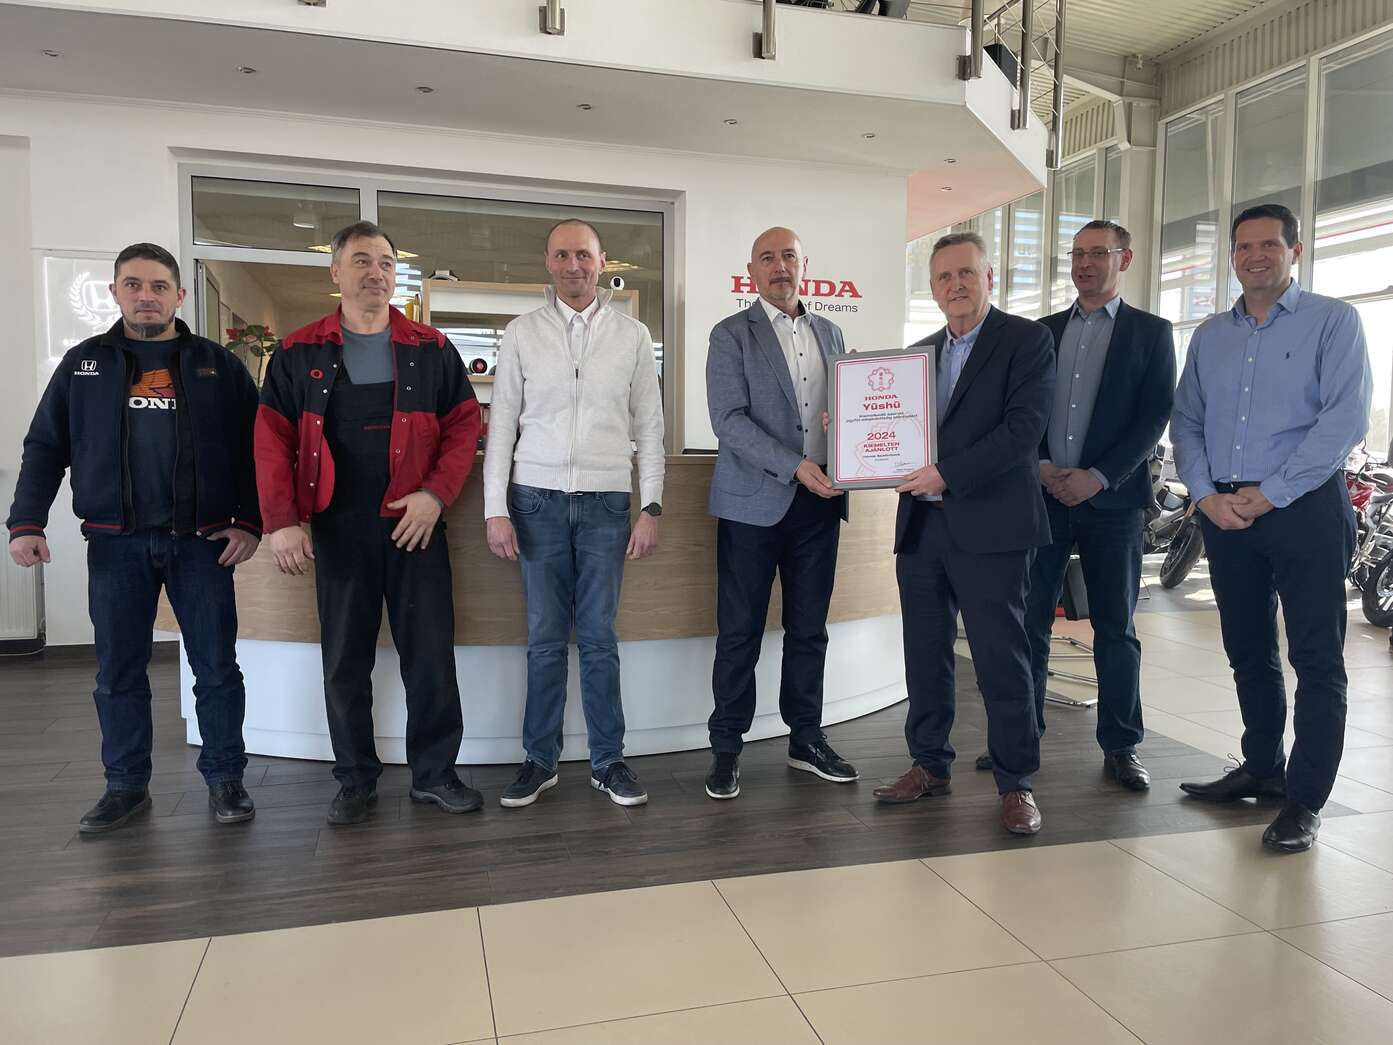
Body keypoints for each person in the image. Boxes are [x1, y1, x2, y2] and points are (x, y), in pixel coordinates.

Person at [8, 243, 261, 832]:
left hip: (201, 543)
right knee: (118, 672)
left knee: (216, 668)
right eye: (133, 284)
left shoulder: (217, 366)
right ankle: (125, 787)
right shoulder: (83, 365)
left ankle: (226, 779)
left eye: (158, 286)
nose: (146, 295)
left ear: (179, 295)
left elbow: (258, 448)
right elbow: (45, 446)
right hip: (115, 544)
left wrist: (249, 520)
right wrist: (26, 522)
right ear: (116, 292)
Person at [255, 221, 483, 825]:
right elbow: (272, 441)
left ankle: (435, 775)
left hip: (416, 526)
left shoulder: (431, 349)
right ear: (335, 272)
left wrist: (436, 495)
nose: (375, 273)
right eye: (361, 261)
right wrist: (281, 521)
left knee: (430, 657)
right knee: (344, 660)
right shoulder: (299, 351)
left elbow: (465, 427)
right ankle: (355, 780)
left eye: (385, 262)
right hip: (338, 527)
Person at [1173, 203, 1371, 853]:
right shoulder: (1209, 336)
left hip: (1304, 506)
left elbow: (1343, 420)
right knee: (1246, 647)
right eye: (1242, 246)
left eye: (1268, 244)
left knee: (1315, 657)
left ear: (1295, 250)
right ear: (1231, 256)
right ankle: (1261, 766)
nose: (1254, 255)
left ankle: (1304, 799)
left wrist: (1273, 492)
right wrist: (1205, 496)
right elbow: (1187, 421)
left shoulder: (1333, 321)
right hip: (1226, 512)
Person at [873, 231, 1055, 836]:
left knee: (1002, 660)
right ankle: (929, 764)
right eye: (945, 276)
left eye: (966, 273)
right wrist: (852, 431)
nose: (956, 284)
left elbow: (1023, 430)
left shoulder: (1027, 341)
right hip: (923, 529)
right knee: (925, 655)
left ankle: (1016, 782)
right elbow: (895, 431)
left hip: (994, 528)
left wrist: (947, 474)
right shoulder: (917, 355)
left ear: (989, 277)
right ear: (932, 288)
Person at [483, 219, 664, 808]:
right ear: (548, 262)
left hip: (608, 502)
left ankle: (608, 761)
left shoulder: (632, 335)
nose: (573, 265)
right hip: (534, 501)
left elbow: (650, 425)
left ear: (602, 260)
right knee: (543, 638)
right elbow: (502, 425)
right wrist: (494, 508)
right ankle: (540, 760)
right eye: (562, 255)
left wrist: (652, 504)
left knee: (599, 638)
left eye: (583, 255)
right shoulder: (522, 332)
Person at [1003, 220, 1175, 791]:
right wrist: (1039, 464)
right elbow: (1020, 407)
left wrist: (1098, 478)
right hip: (1043, 497)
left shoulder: (1151, 332)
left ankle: (1122, 746)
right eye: (1077, 254)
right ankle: (1020, 737)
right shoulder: (1041, 332)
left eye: (1098, 253)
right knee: (1029, 621)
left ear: (1124, 259)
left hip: (1114, 504)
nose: (1085, 264)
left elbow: (1154, 416)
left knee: (1115, 626)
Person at [704, 226, 858, 801]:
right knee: (739, 632)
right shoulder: (730, 334)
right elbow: (729, 420)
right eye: (766, 258)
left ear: (803, 265)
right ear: (751, 272)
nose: (779, 266)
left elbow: (849, 411)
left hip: (820, 504)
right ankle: (726, 748)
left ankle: (806, 739)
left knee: (809, 630)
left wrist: (846, 431)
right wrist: (794, 465)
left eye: (788, 256)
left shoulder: (831, 332)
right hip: (752, 506)